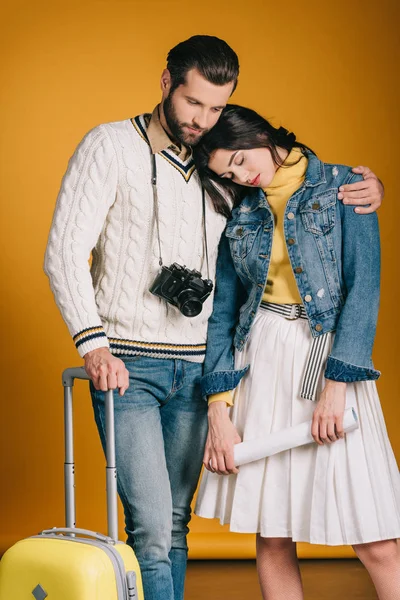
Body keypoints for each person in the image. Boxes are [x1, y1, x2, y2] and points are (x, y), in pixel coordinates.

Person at [43, 34, 384, 599]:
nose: (202, 119)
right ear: (166, 84)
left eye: (217, 107)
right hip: (128, 365)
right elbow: (63, 251)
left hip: (199, 368)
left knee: (175, 528)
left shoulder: (219, 169)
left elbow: (288, 189)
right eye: (193, 102)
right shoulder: (109, 146)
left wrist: (366, 185)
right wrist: (93, 344)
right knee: (151, 531)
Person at [193, 104, 400, 600]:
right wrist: (218, 409)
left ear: (261, 133)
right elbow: (224, 311)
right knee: (273, 527)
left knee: (376, 539)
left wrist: (338, 386)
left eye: (240, 160)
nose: (243, 176)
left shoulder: (345, 185)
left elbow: (363, 288)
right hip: (261, 357)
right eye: (228, 173)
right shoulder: (239, 210)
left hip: (327, 357)